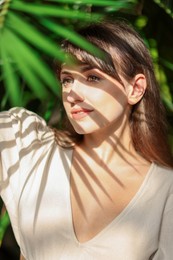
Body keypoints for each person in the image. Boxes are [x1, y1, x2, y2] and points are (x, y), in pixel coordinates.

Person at [0, 19, 173, 260]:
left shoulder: (165, 192)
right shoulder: (30, 146)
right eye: (67, 80)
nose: (72, 93)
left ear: (135, 89)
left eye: (92, 78)